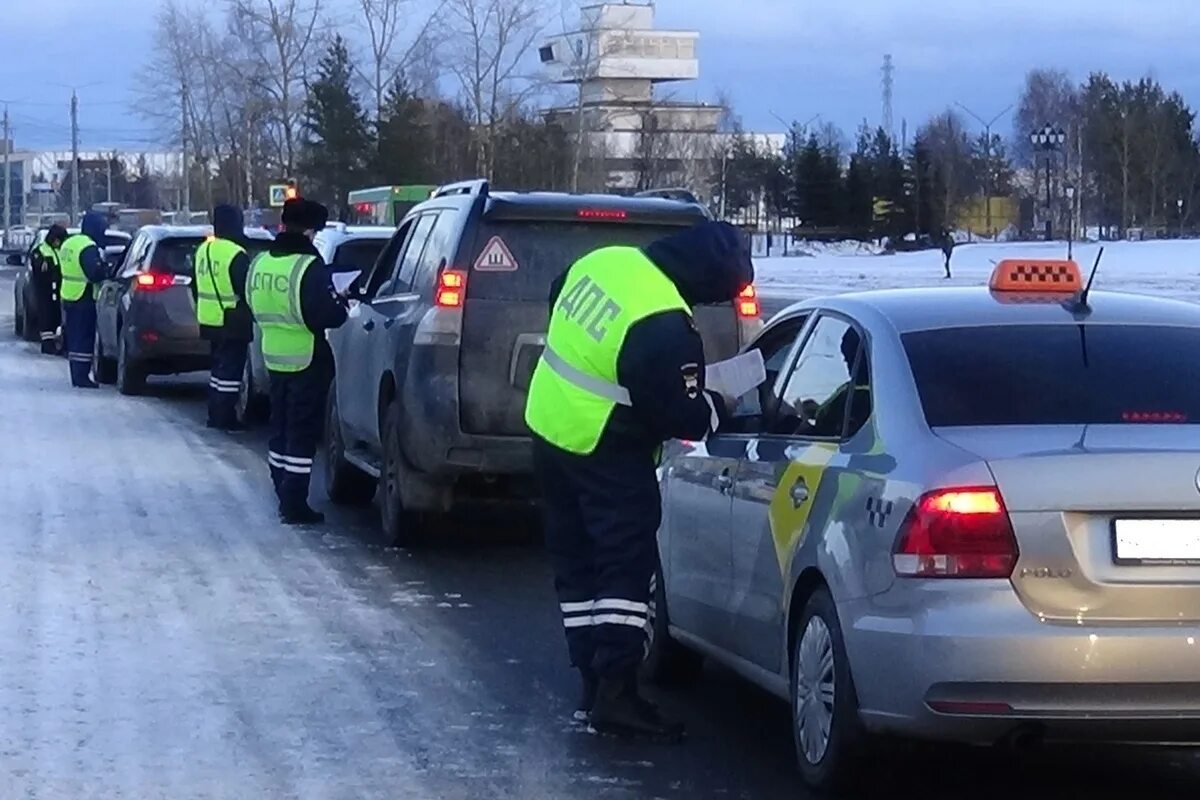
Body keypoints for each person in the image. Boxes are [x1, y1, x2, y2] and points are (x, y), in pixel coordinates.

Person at [524, 220, 753, 742]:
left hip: (551, 426)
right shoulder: (664, 324)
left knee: (576, 560)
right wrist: (720, 404)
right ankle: (617, 693)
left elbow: (561, 299)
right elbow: (683, 418)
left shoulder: (607, 260)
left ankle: (590, 678)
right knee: (624, 568)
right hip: (607, 445)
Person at [245, 198, 347, 525]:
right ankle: (294, 502)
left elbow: (251, 304)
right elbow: (327, 314)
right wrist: (342, 305)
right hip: (306, 357)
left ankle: (281, 488)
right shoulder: (308, 267)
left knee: (281, 428)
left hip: (273, 355)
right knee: (302, 433)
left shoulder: (261, 263)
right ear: (307, 230)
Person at [195, 204, 254, 430]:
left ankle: (214, 413)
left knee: (217, 371)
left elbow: (194, 285)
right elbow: (245, 289)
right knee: (230, 374)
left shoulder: (204, 250)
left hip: (209, 319)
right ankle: (225, 417)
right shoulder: (236, 254)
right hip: (232, 321)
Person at [58, 212, 111, 388]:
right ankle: (81, 377)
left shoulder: (71, 242)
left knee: (74, 338)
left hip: (68, 295)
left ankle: (76, 373)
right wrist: (106, 271)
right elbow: (93, 273)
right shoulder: (88, 247)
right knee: (84, 338)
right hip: (84, 296)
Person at [30, 224, 67, 354]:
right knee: (46, 316)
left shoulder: (61, 250)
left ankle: (58, 343)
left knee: (57, 317)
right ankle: (47, 345)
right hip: (45, 291)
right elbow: (39, 270)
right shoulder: (40, 251)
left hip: (59, 290)